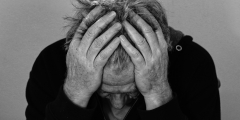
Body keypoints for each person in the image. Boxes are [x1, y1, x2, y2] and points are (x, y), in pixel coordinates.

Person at [25, 0, 221, 119]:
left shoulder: (194, 64)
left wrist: (157, 93)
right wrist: (75, 93)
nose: (118, 105)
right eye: (105, 93)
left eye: (133, 93)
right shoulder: (50, 63)